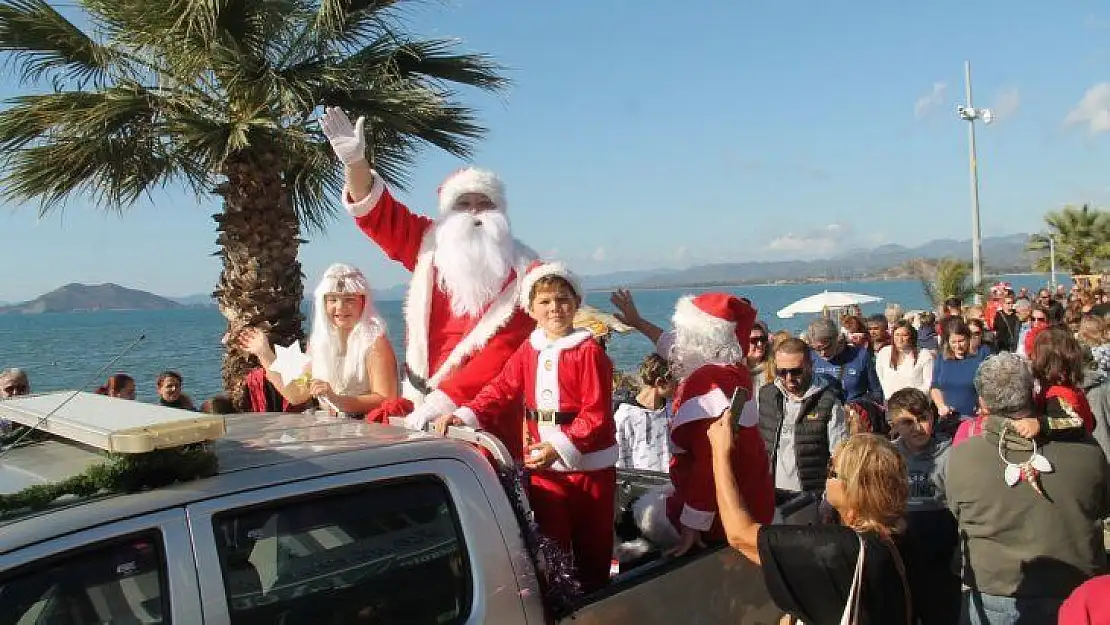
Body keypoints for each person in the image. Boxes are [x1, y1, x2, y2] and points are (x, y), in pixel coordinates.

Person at [320, 108, 537, 444]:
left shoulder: (527, 274)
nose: (475, 211)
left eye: (485, 203)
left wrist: (443, 402)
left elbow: (500, 355)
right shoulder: (428, 246)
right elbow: (377, 213)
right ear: (448, 214)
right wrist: (354, 164)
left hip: (485, 413)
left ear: (501, 211)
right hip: (418, 405)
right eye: (464, 203)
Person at [433, 263, 617, 593]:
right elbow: (502, 388)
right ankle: (560, 604)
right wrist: (466, 414)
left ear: (576, 304)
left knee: (593, 546)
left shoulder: (589, 353)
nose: (554, 309)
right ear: (531, 309)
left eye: (562, 300)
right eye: (545, 302)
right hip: (543, 468)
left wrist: (558, 447)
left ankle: (597, 604)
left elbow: (596, 414)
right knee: (552, 547)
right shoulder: (527, 350)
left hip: (588, 470)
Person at [946, 353, 1110, 624]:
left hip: (1000, 591)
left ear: (983, 403)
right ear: (1033, 392)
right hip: (1072, 587)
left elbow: (957, 512)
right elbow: (1103, 505)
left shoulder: (964, 456)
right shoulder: (1086, 450)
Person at [709, 425, 915, 625]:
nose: (827, 474)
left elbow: (739, 534)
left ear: (853, 490)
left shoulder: (842, 549)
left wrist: (719, 453)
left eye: (832, 470)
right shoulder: (899, 532)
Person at [630, 293, 775, 558]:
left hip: (721, 516)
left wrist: (692, 525)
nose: (678, 340)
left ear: (699, 338)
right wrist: (638, 322)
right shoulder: (734, 368)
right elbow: (674, 348)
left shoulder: (706, 382)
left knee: (643, 510)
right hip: (755, 501)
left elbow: (708, 463)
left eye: (684, 332)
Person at [238, 263, 398, 418]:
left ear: (363, 302)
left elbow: (386, 398)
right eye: (333, 300)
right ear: (323, 303)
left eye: (349, 300)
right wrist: (264, 353)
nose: (340, 307)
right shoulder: (318, 345)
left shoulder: (375, 344)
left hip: (368, 433)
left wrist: (336, 399)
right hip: (330, 429)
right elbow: (297, 394)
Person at [886, 388, 959, 625]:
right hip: (904, 548)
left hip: (942, 549)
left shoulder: (950, 453)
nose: (917, 427)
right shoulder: (890, 456)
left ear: (933, 416)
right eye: (907, 422)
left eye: (923, 419)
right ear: (894, 425)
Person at [757, 337, 847, 524]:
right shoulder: (765, 395)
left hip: (811, 500)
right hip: (771, 497)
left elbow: (840, 457)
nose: (789, 378)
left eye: (796, 371)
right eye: (781, 372)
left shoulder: (829, 402)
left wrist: (829, 501)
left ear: (810, 365)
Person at [614, 354, 675, 472]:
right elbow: (619, 461)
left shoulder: (672, 411)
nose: (678, 385)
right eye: (675, 380)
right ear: (660, 383)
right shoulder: (625, 416)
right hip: (640, 485)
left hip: (670, 485)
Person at [806, 318, 883, 403]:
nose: (822, 353)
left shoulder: (860, 355)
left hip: (854, 410)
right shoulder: (809, 357)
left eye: (826, 347)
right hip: (824, 412)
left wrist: (863, 408)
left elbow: (876, 392)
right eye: (817, 349)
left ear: (837, 338)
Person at [930, 319, 988, 430]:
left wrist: (983, 407)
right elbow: (935, 386)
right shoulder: (942, 358)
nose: (958, 346)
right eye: (954, 342)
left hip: (972, 419)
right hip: (947, 418)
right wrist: (941, 406)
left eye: (961, 341)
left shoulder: (979, 358)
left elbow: (986, 387)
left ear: (968, 338)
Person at [875, 320, 935, 399]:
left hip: (916, 402)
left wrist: (909, 399)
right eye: (897, 335)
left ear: (911, 336)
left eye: (904, 335)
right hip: (892, 403)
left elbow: (928, 383)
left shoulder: (924, 355)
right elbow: (881, 377)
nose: (900, 339)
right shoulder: (884, 353)